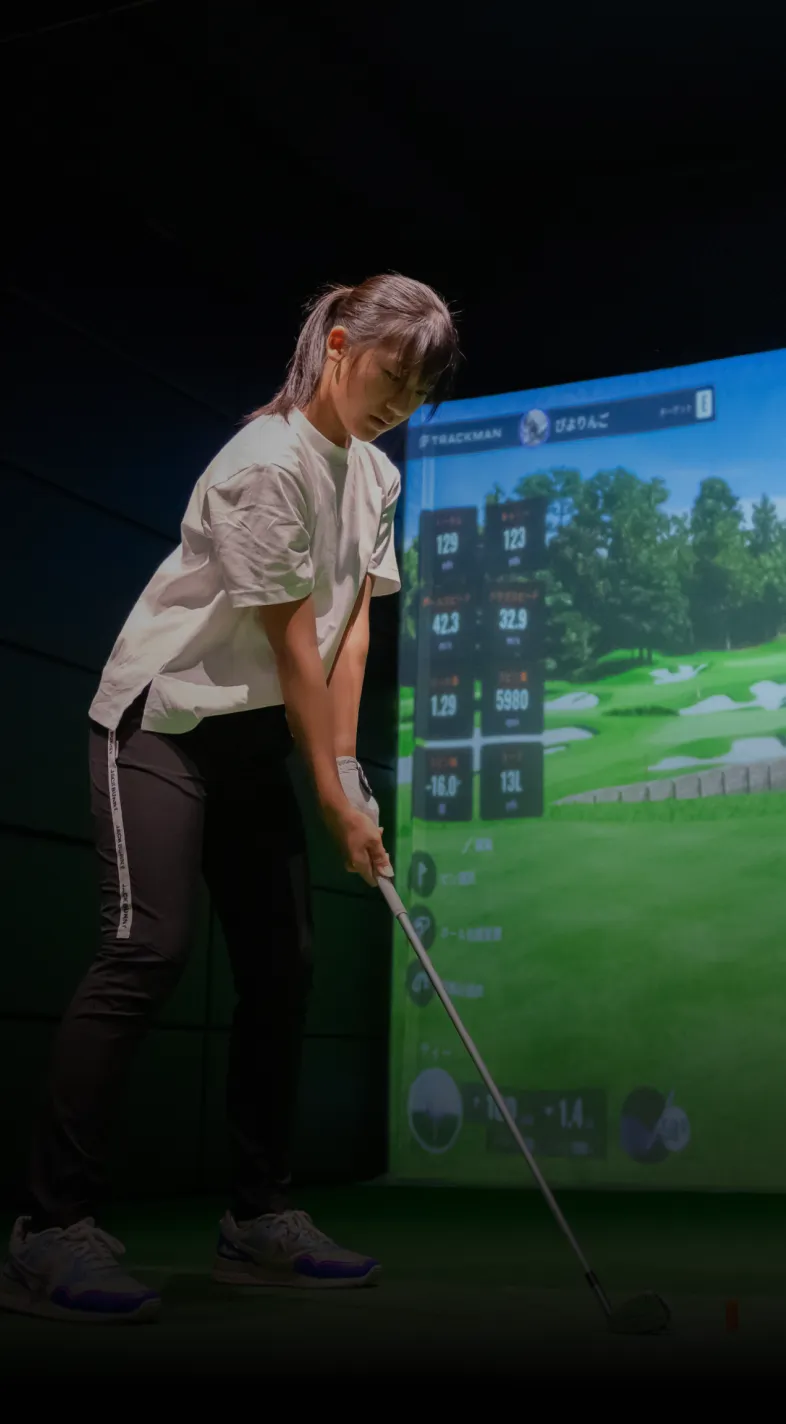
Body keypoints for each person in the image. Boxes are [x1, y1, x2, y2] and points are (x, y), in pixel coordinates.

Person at [0, 273, 460, 1323]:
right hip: (161, 720)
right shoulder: (266, 463)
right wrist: (336, 799)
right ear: (340, 343)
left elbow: (350, 637)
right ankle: (46, 1228)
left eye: (421, 389)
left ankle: (258, 1217)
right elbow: (293, 645)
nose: (400, 401)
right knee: (146, 950)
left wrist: (346, 778)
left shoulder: (377, 475)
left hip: (252, 732)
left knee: (283, 962)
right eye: (393, 374)